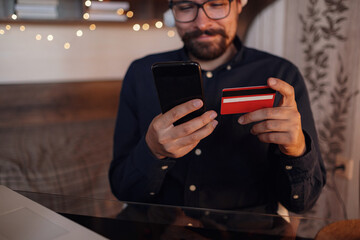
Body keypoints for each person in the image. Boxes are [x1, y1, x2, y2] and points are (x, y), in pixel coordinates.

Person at [109, 0, 326, 214]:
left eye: (217, 5)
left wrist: (296, 151)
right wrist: (153, 152)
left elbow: (303, 203)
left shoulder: (281, 75)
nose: (202, 23)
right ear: (172, 10)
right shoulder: (140, 74)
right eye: (186, 7)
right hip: (161, 228)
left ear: (239, 4)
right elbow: (123, 189)